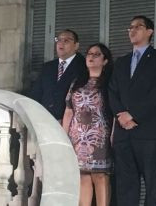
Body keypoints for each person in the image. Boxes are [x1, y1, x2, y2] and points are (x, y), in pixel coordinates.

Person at [107, 15, 156, 206]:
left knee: (151, 182)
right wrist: (121, 115)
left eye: (138, 27)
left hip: (149, 129)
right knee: (126, 184)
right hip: (123, 130)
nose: (132, 30)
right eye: (130, 27)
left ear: (150, 32)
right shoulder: (121, 62)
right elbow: (112, 91)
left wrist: (132, 114)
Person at [62, 43, 113, 206]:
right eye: (89, 53)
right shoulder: (77, 82)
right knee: (82, 176)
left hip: (99, 136)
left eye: (96, 54)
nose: (91, 57)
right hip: (77, 135)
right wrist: (64, 135)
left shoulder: (109, 82)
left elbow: (115, 110)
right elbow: (69, 110)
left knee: (100, 176)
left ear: (105, 61)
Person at [29, 29, 87, 121]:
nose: (61, 43)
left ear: (76, 46)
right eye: (59, 40)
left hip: (71, 122)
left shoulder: (84, 66)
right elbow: (36, 93)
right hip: (46, 120)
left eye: (66, 40)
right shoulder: (47, 67)